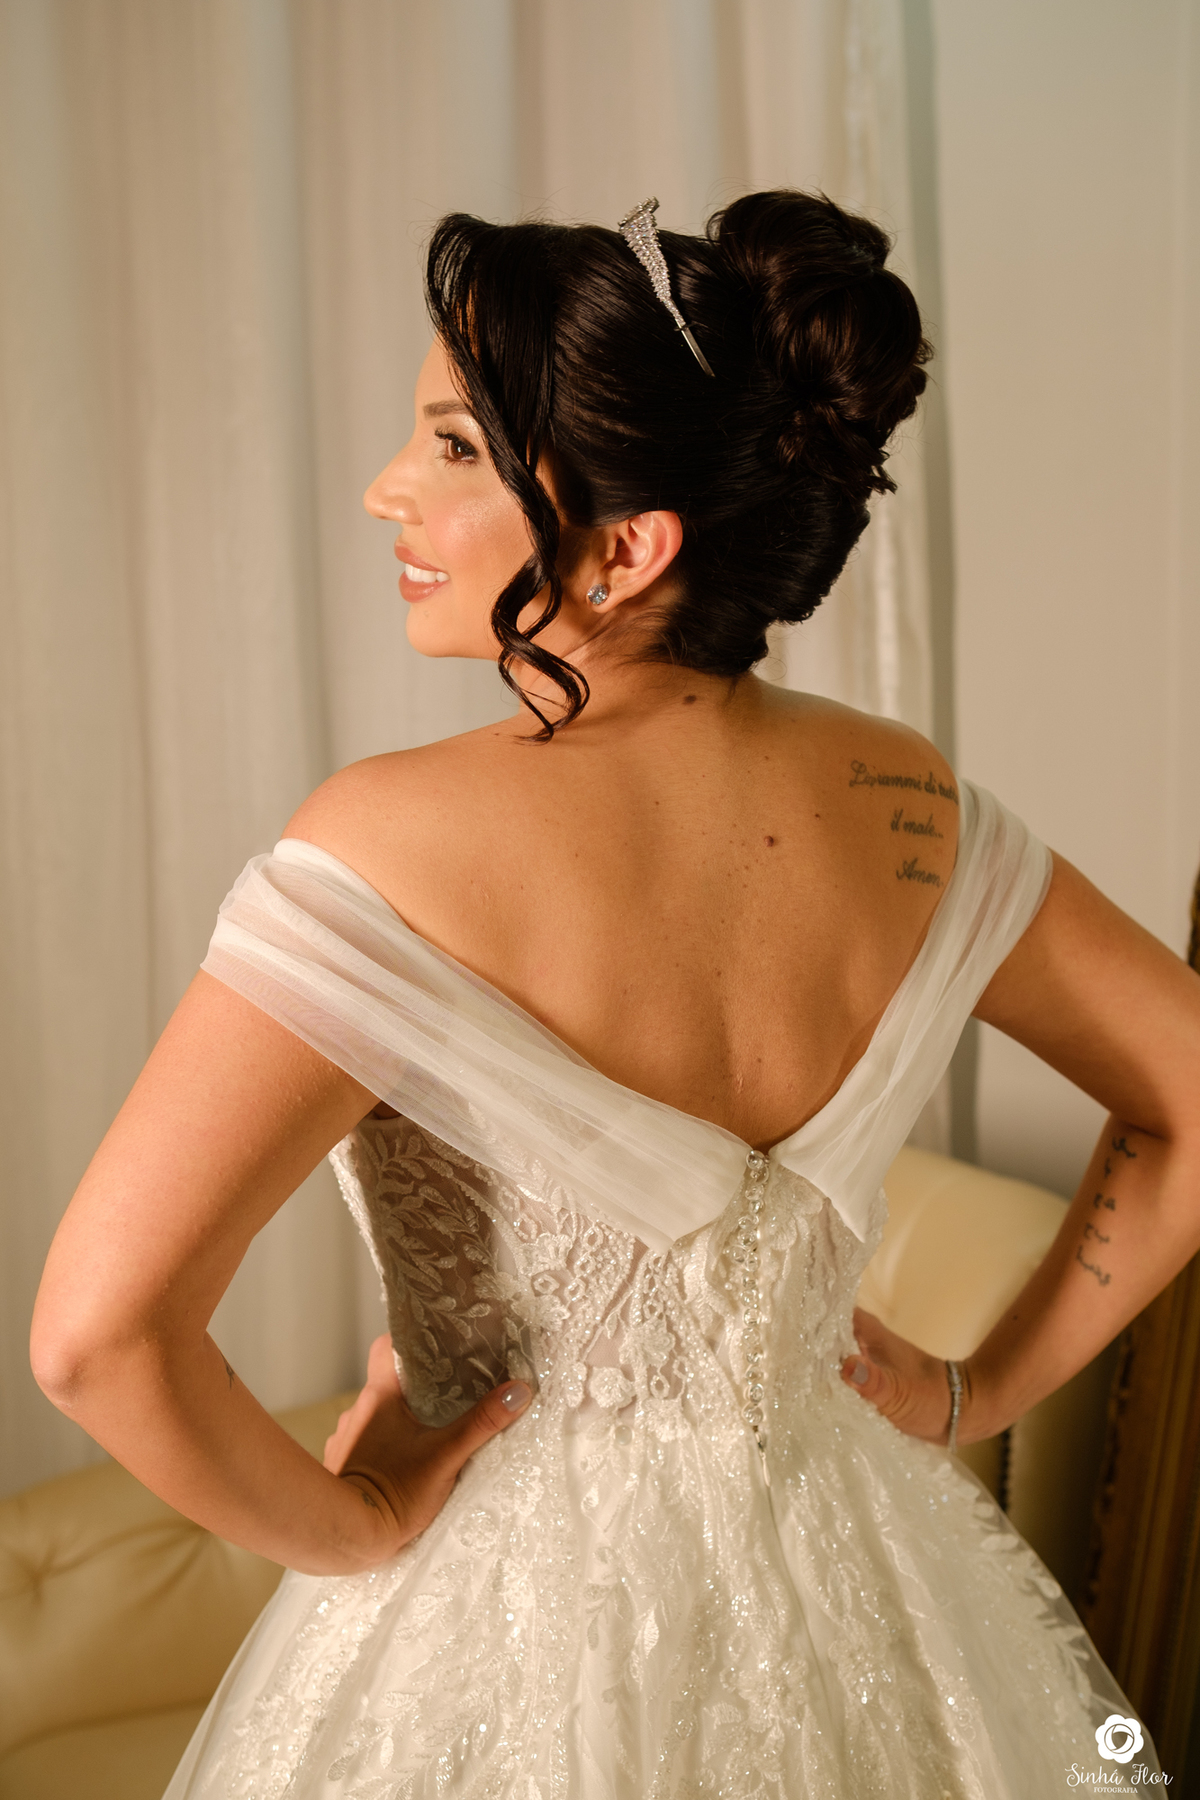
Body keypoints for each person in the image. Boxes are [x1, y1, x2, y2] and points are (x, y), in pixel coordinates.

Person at [30, 190, 1195, 1797]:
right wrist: (969, 1393)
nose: (387, 489)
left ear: (631, 545)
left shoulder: (383, 844)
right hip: (870, 1587)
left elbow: (98, 1340)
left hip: (497, 1626)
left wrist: (354, 1524)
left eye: (454, 446)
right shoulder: (916, 808)